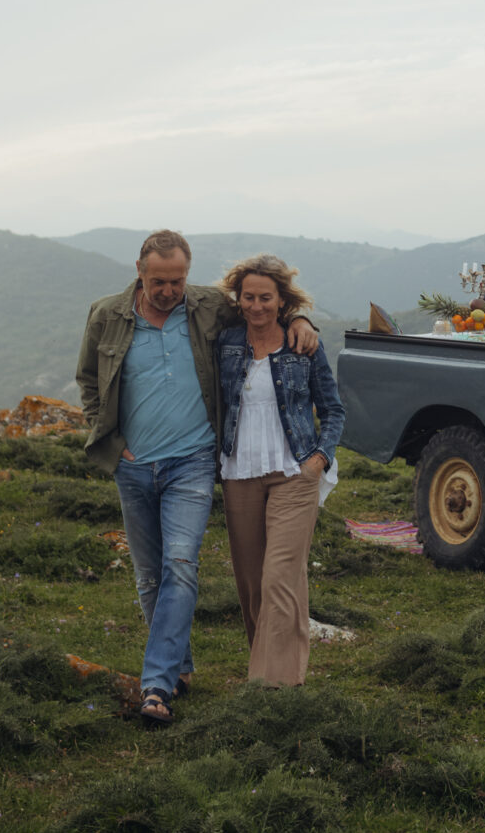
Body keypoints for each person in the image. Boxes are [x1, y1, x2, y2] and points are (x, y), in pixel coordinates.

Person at [75, 229, 321, 725]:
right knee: (149, 576)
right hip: (133, 465)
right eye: (159, 281)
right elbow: (88, 381)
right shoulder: (106, 315)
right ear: (139, 271)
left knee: (181, 565)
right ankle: (181, 668)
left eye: (178, 280)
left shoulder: (208, 306)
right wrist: (114, 446)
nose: (169, 290)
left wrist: (302, 321)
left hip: (192, 460)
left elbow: (263, 311)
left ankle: (158, 686)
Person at [215, 252, 346, 687]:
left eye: (265, 298)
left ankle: (276, 685)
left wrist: (319, 459)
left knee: (280, 576)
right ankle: (267, 669)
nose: (256, 306)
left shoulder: (302, 345)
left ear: (281, 300)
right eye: (248, 297)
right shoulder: (226, 342)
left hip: (294, 472)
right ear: (238, 299)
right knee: (252, 585)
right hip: (239, 473)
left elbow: (333, 410)